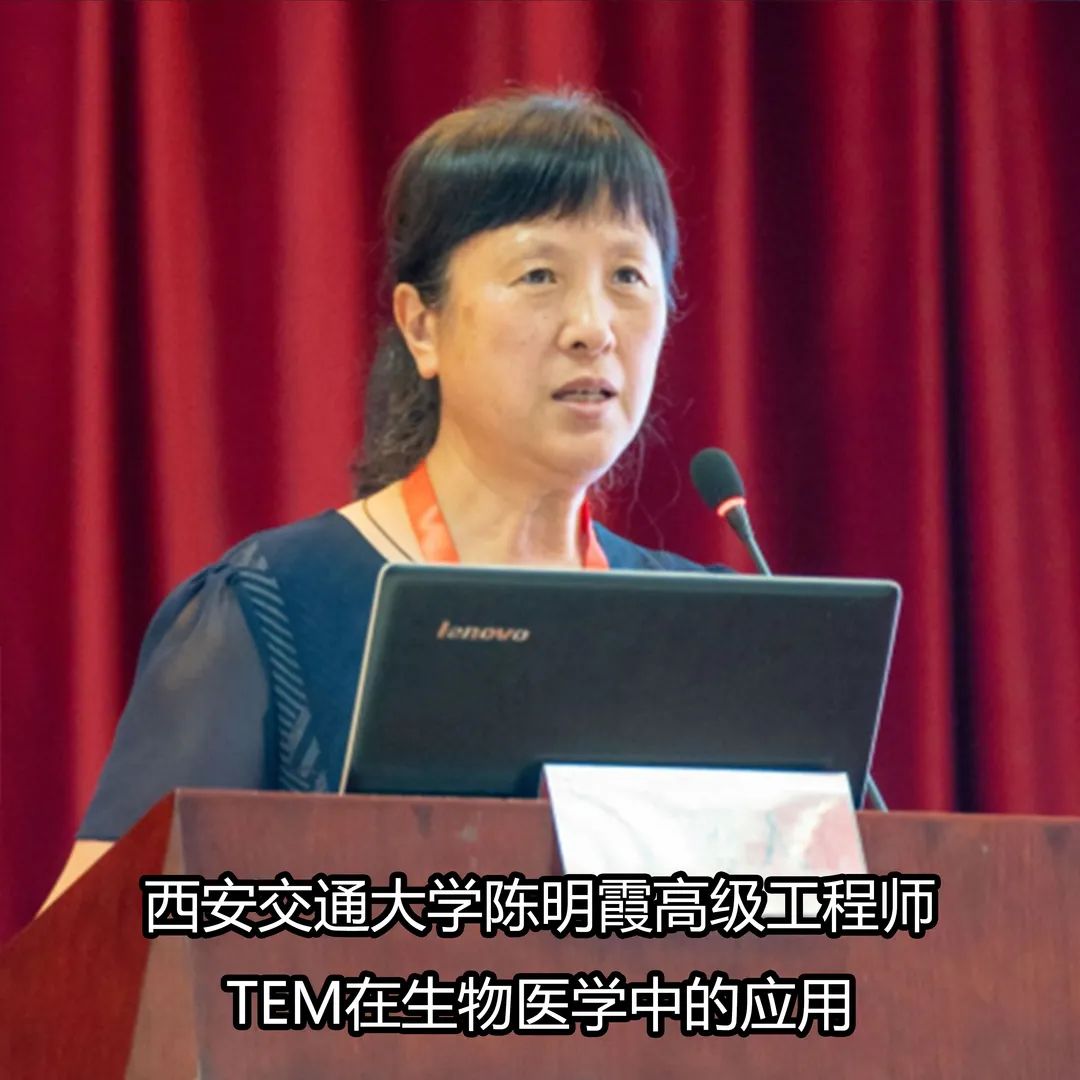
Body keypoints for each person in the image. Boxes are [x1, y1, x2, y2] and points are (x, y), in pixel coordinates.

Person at [43, 89, 712, 908]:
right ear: (421, 326)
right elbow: (91, 951)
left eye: (628, 276)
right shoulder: (274, 608)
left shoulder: (702, 629)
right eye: (540, 275)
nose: (593, 327)